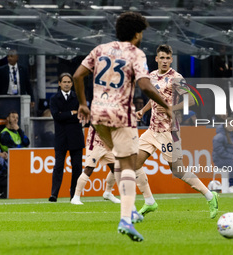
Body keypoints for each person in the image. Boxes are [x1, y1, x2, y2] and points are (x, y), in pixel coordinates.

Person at [73, 12, 172, 242]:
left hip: (97, 115)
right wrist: (164, 104)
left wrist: (82, 104)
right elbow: (145, 86)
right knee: (129, 165)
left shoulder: (100, 49)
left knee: (118, 160)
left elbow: (78, 76)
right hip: (121, 115)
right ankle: (126, 219)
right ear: (137, 34)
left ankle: (131, 210)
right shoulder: (135, 53)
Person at [135, 44, 218, 219]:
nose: (164, 61)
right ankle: (150, 202)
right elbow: (154, 98)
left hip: (169, 131)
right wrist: (143, 111)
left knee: (178, 171)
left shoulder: (176, 78)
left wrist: (174, 108)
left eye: (167, 58)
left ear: (171, 59)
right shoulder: (151, 76)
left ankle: (210, 195)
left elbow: (193, 100)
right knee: (134, 164)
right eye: (161, 58)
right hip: (152, 130)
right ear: (156, 59)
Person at [48, 73, 85, 202]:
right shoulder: (54, 99)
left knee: (77, 168)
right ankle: (54, 194)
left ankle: (74, 195)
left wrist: (65, 115)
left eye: (69, 82)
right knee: (58, 167)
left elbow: (81, 115)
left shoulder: (78, 97)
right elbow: (56, 116)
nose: (67, 84)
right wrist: (71, 113)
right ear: (59, 83)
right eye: (64, 82)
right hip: (61, 138)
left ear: (72, 83)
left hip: (76, 138)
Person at [71, 125, 120, 205]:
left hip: (107, 142)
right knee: (89, 169)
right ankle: (76, 197)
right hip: (95, 142)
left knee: (116, 168)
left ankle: (108, 193)